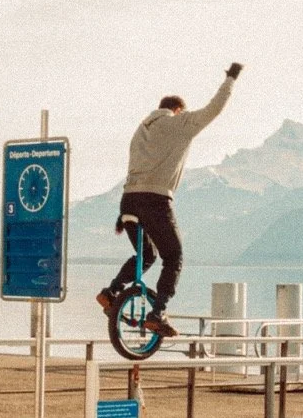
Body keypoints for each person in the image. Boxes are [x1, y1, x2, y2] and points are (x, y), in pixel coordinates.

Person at [97, 62, 244, 337]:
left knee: (146, 255)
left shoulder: (140, 130)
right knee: (173, 256)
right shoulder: (180, 123)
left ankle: (111, 291)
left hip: (128, 201)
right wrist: (231, 79)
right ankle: (158, 312)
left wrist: (124, 213)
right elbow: (214, 108)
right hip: (155, 201)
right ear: (178, 110)